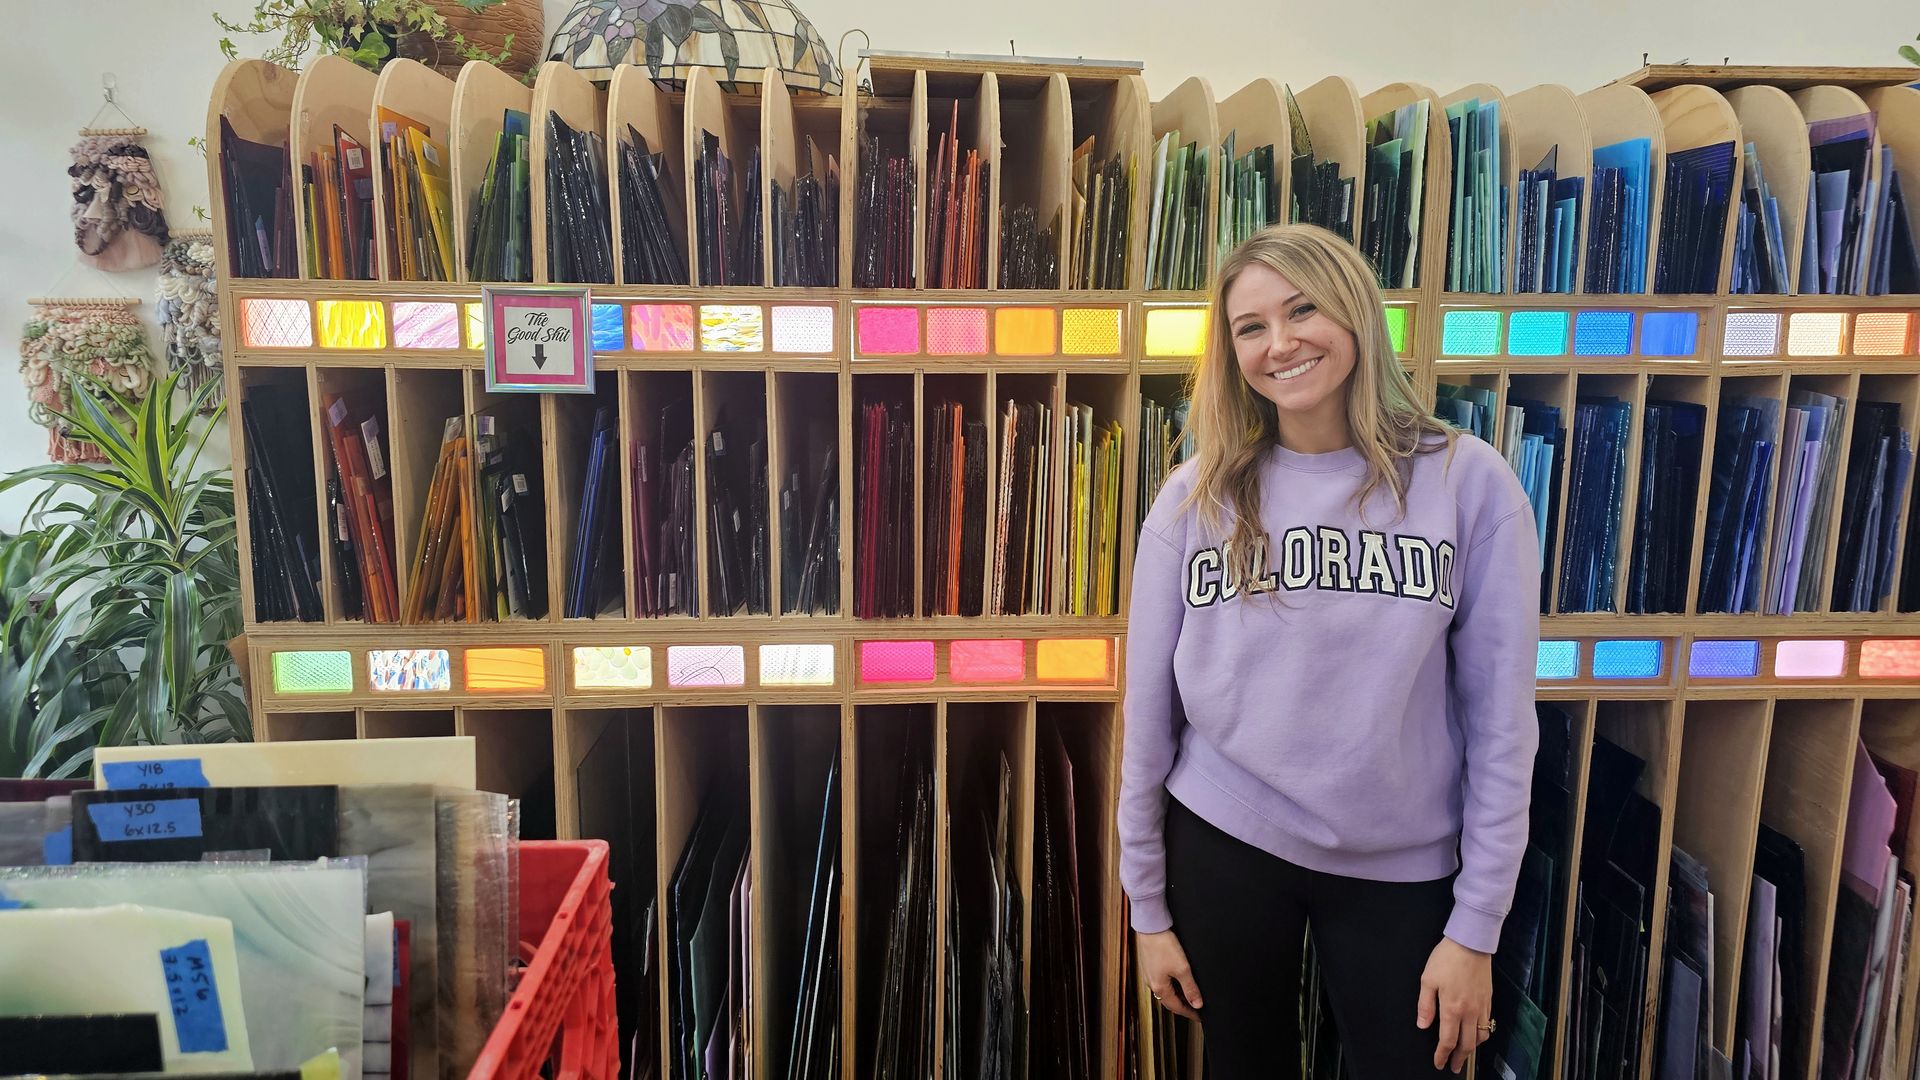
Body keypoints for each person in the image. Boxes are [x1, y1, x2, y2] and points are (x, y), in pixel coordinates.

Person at [1118, 223, 1540, 1077]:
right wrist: (1148, 907)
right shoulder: (1193, 498)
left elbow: (1502, 723)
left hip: (1403, 862)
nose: (1281, 343)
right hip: (1225, 840)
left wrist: (1476, 928)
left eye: (1303, 308)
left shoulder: (1469, 482)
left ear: (1356, 312)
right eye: (1250, 326)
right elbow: (1148, 718)